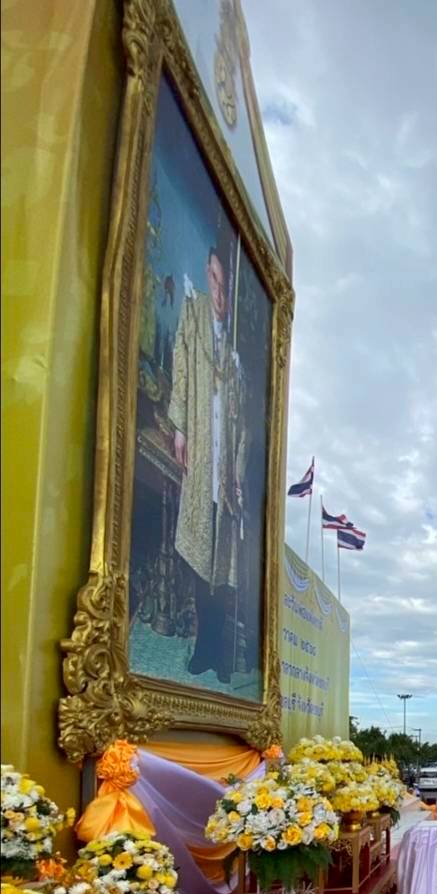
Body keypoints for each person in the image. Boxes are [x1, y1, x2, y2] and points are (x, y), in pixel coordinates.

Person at [168, 245, 248, 683]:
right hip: (201, 458)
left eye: (225, 285)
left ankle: (218, 651)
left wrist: (237, 472)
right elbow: (181, 366)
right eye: (213, 281)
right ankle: (202, 648)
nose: (218, 294)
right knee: (201, 558)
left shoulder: (234, 350)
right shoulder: (194, 314)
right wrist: (180, 426)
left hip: (224, 471)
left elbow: (243, 423)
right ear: (206, 275)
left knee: (222, 565)